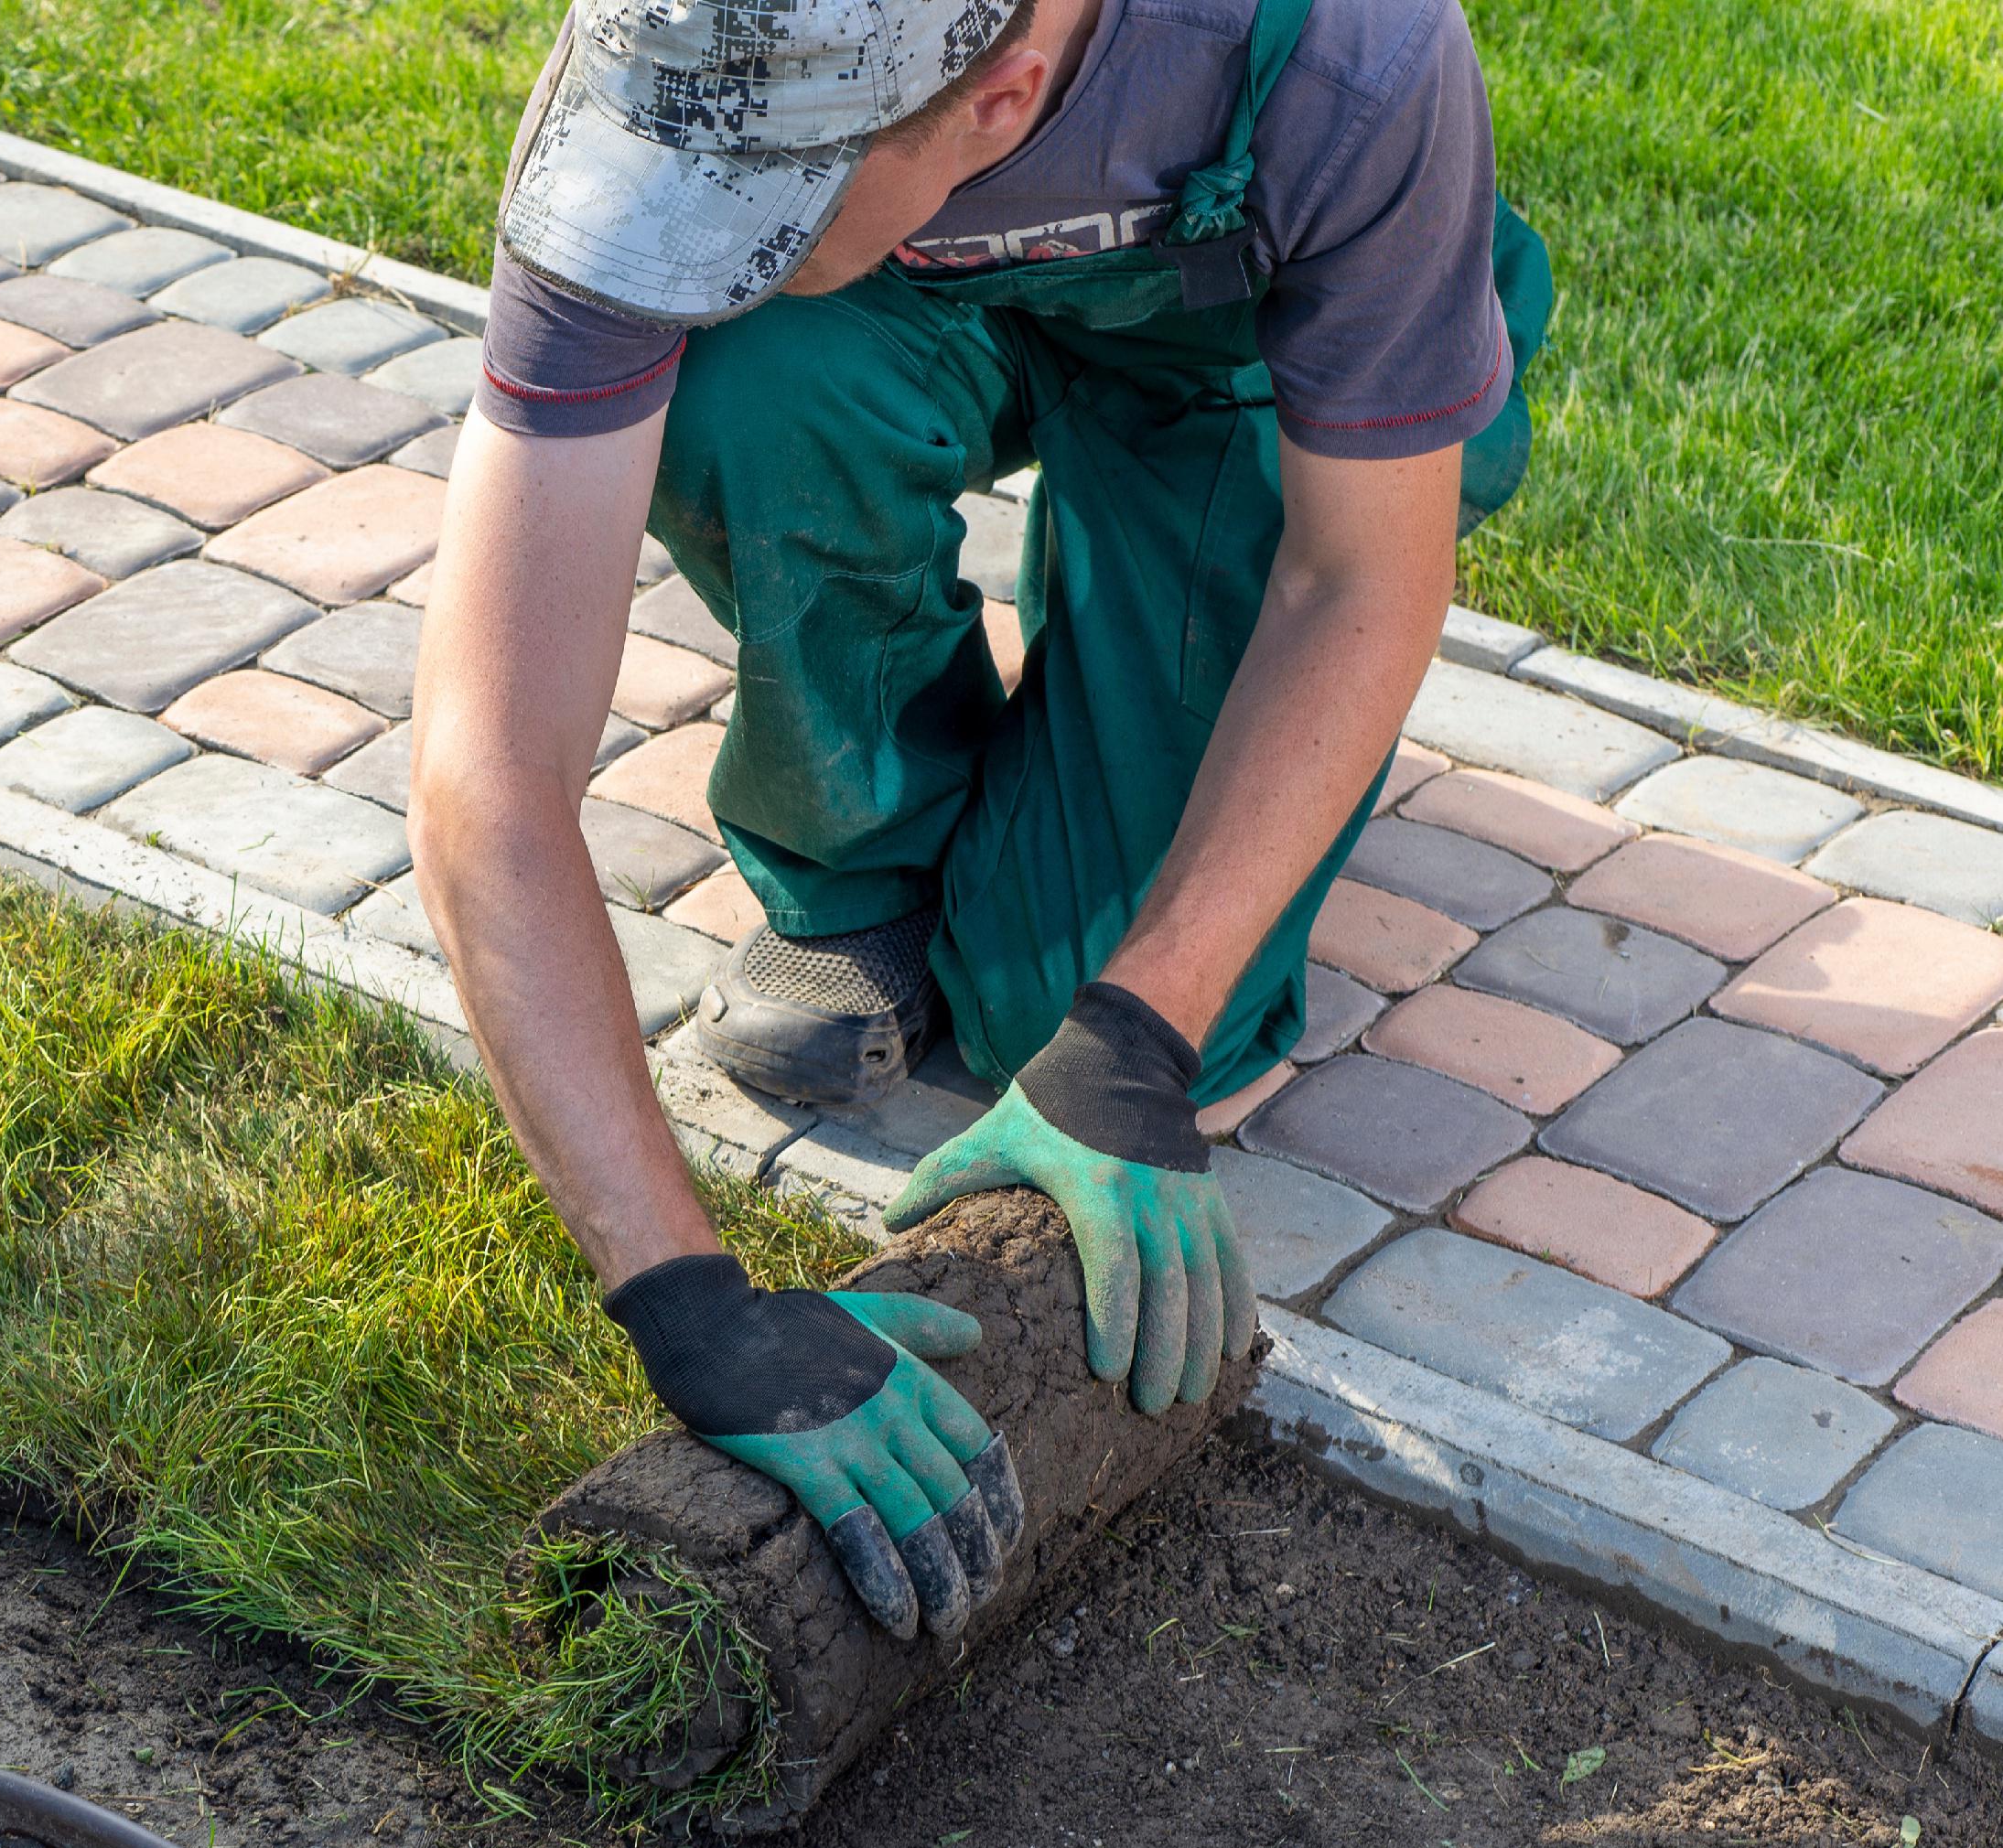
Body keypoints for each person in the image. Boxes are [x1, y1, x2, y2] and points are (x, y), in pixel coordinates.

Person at [411, 0, 1549, 1641]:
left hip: (1226, 353)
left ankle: (1116, 664)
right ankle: (855, 864)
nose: (693, 232)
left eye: (761, 202)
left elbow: (1362, 575)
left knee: (1064, 1013)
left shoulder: (1349, 53)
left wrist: (1136, 1037)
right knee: (742, 373)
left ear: (1004, 95)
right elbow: (485, 769)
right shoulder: (675, 78)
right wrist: (680, 1298)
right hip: (893, 312)